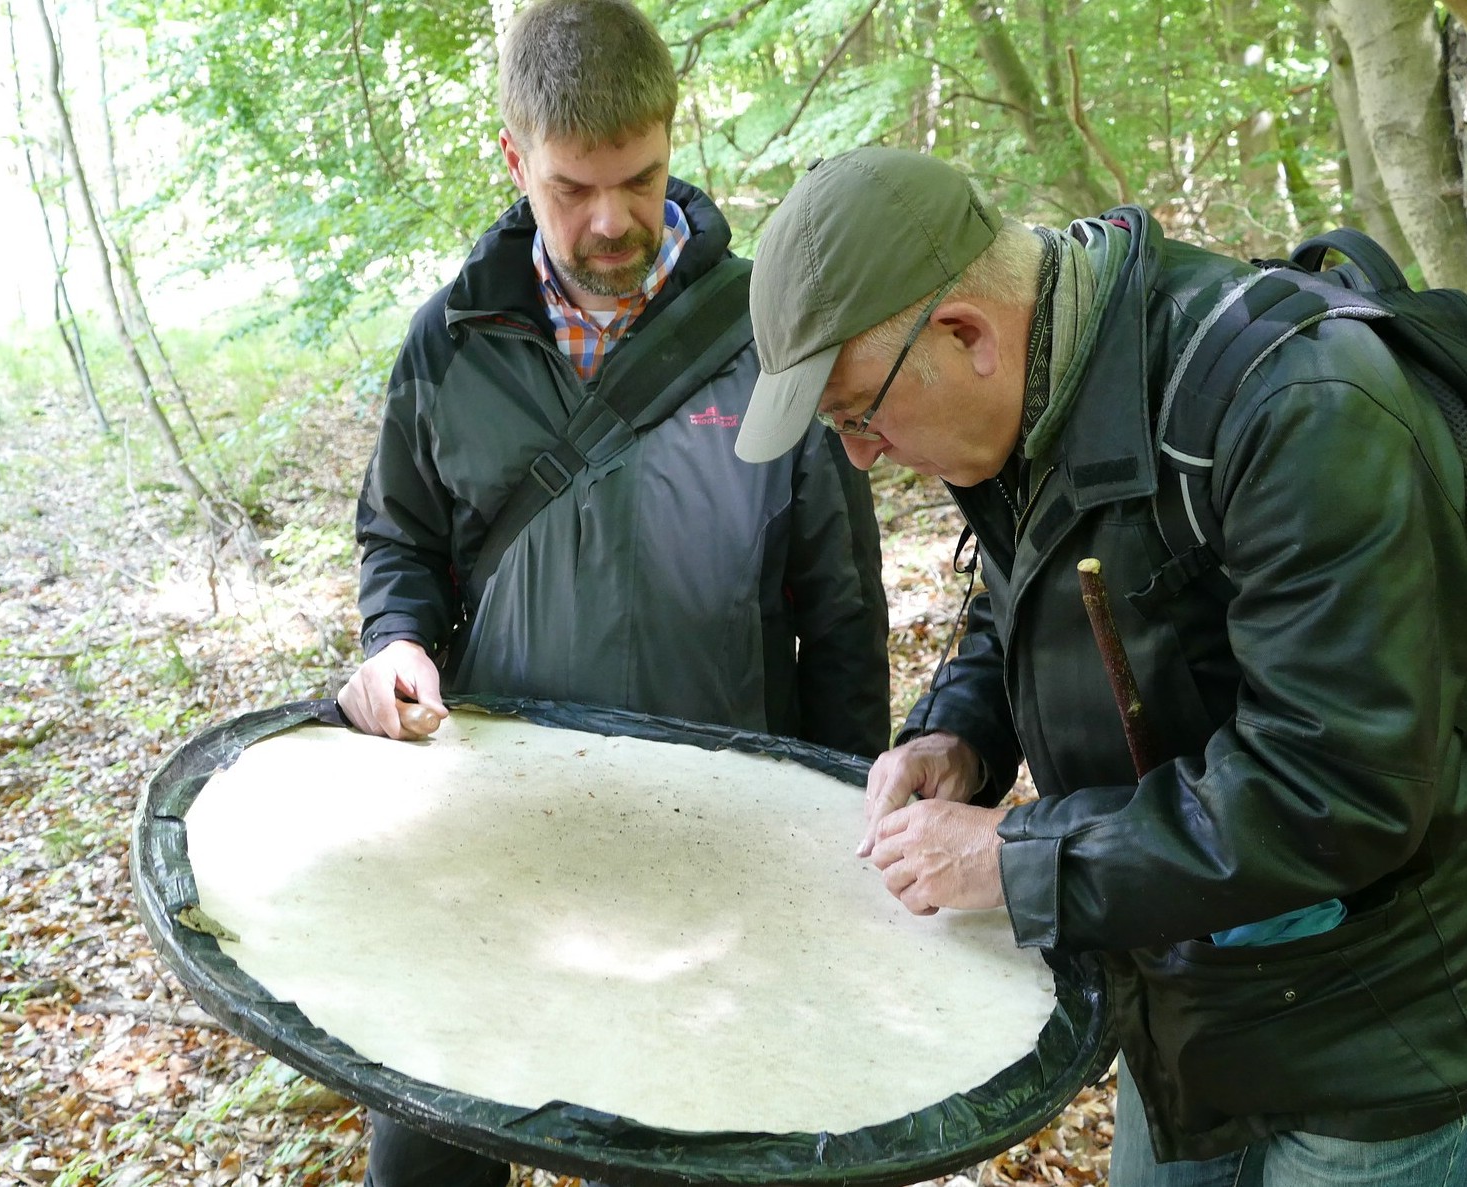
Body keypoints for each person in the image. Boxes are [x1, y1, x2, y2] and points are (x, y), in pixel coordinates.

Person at [735, 146, 1467, 1185]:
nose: (858, 456)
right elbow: (1021, 596)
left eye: (856, 414)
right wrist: (957, 734)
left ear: (963, 334)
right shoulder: (1031, 391)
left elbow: (1339, 785)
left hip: (1365, 1043)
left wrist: (1015, 858)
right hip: (1176, 999)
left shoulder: (1294, 407)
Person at [337, 6, 891, 1186]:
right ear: (513, 160)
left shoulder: (766, 335)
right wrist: (394, 641)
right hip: (500, 843)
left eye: (638, 180)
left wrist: (850, 818)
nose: (609, 220)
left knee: (686, 1150)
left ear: (670, 137)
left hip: (725, 849)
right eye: (571, 187)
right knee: (431, 1148)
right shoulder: (448, 342)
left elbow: (838, 606)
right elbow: (400, 540)